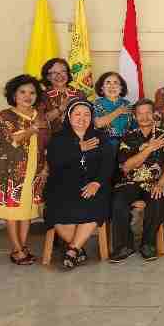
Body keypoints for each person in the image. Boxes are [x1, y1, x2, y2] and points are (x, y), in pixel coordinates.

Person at [44, 99, 115, 269]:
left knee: (95, 204)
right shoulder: (58, 138)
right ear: (69, 116)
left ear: (92, 118)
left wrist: (97, 183)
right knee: (56, 210)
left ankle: (73, 250)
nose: (82, 118)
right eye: (77, 114)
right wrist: (78, 149)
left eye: (86, 114)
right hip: (63, 186)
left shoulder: (101, 137)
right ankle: (78, 249)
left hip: (93, 185)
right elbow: (54, 162)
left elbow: (108, 164)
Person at [0, 75, 50, 265]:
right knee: (12, 211)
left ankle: (22, 247)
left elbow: (46, 144)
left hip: (36, 171)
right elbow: (13, 140)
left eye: (32, 93)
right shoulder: (4, 115)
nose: (28, 96)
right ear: (14, 95)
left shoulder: (40, 116)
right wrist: (32, 129)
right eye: (22, 92)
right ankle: (16, 249)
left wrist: (46, 166)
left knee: (27, 211)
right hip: (12, 172)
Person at [110, 99, 164, 263]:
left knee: (158, 198)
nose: (145, 117)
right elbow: (126, 167)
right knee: (118, 201)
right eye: (140, 113)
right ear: (135, 116)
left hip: (155, 182)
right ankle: (125, 245)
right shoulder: (128, 137)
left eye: (148, 112)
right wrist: (150, 148)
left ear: (154, 114)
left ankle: (148, 243)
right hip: (130, 182)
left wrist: (161, 183)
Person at [39, 57, 86, 134]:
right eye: (54, 72)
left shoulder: (79, 94)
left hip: (78, 136)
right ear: (48, 77)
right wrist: (60, 109)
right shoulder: (43, 96)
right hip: (52, 139)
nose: (59, 75)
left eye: (63, 71)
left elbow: (88, 117)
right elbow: (42, 121)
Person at [92, 71, 134, 147]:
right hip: (104, 144)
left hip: (126, 144)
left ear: (121, 88)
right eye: (108, 83)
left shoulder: (127, 103)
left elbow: (134, 125)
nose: (112, 86)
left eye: (115, 83)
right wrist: (118, 111)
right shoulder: (97, 103)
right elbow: (98, 124)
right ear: (102, 88)